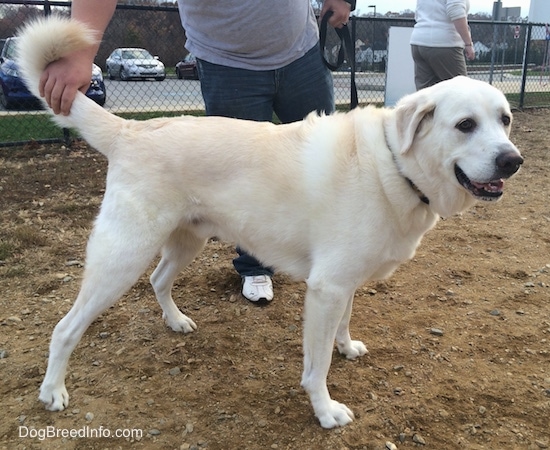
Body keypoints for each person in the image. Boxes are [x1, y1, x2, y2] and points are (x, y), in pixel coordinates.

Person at [39, 0, 354, 304]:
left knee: (325, 168)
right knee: (242, 182)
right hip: (227, 63)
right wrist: (79, 52)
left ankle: (325, 253)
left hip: (303, 50)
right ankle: (256, 267)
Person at [410, 0, 476, 91]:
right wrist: (468, 44)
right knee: (460, 91)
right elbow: (456, 11)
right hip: (444, 44)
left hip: (419, 42)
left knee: (426, 96)